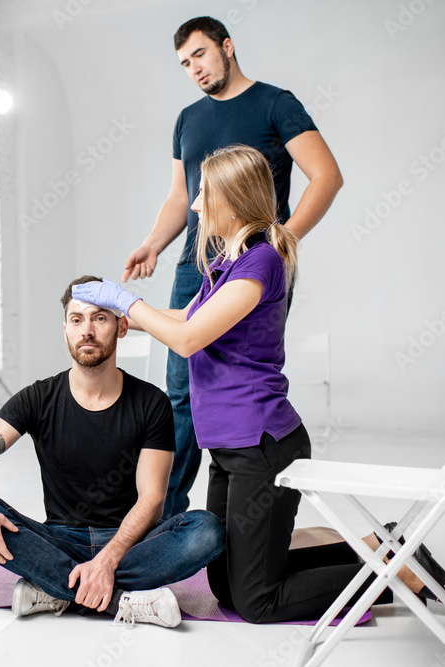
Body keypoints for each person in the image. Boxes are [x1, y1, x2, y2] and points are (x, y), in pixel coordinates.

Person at [74, 145, 445, 623]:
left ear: (232, 198)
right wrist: (123, 318)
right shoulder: (226, 263)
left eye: (203, 194)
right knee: (224, 587)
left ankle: (392, 573)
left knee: (257, 602)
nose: (196, 206)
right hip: (228, 447)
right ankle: (377, 550)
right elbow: (187, 317)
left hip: (262, 446)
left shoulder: (261, 262)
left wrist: (125, 299)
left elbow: (185, 339)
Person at [122, 16, 344, 519]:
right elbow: (182, 198)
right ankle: (166, 516)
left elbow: (326, 176)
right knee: (181, 391)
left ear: (227, 47)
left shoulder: (275, 104)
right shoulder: (187, 119)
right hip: (194, 264)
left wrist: (282, 241)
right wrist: (153, 243)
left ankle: (245, 494)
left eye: (199, 54)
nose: (193, 68)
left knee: (239, 374)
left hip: (250, 261)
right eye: (183, 63)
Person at [0, 276, 224, 628]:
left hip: (131, 542)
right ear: (65, 330)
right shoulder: (38, 397)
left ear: (122, 326)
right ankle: (123, 599)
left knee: (207, 530)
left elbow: (153, 500)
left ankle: (57, 587)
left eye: (100, 318)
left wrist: (108, 560)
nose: (87, 330)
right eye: (77, 320)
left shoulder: (151, 402)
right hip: (59, 538)